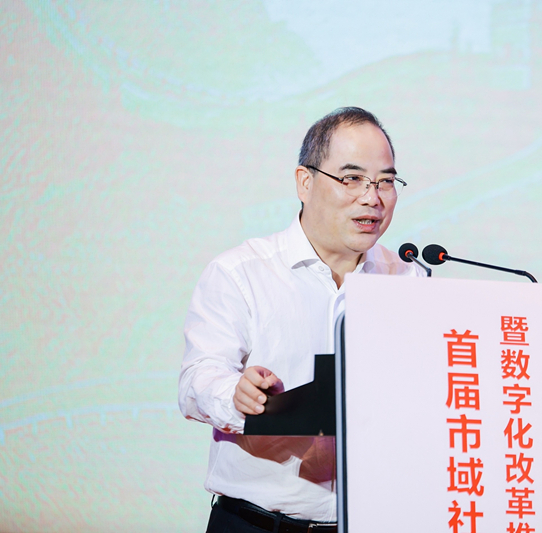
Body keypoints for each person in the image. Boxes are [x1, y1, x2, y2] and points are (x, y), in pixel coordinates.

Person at [178, 107, 423, 533]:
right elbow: (195, 381)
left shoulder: (407, 279)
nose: (373, 198)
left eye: (385, 181)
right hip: (258, 525)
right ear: (305, 183)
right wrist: (238, 395)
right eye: (352, 178)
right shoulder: (241, 273)